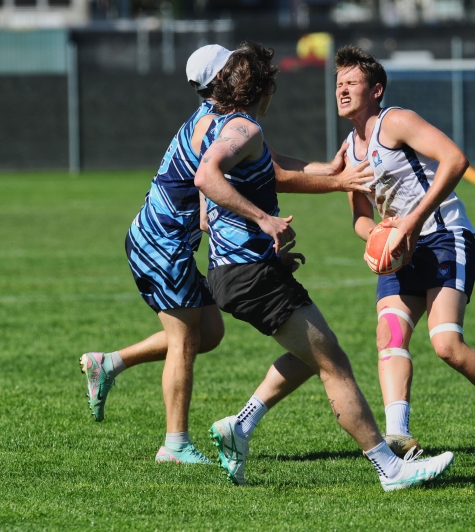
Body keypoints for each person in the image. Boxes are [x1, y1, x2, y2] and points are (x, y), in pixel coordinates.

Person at [78, 45, 373, 465]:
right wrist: (336, 183)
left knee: (210, 333)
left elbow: (266, 165)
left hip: (166, 238)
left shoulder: (220, 119)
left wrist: (329, 169)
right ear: (223, 77)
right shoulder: (221, 125)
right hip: (161, 240)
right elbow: (263, 175)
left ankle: (109, 363)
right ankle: (175, 445)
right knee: (185, 338)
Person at [194, 40, 455, 491]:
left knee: (311, 353)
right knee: (335, 363)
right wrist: (265, 221)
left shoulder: (212, 126)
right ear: (264, 88)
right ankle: (390, 469)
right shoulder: (243, 128)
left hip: (233, 270)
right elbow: (209, 177)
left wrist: (325, 180)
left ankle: (241, 425)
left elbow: (228, 197)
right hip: (248, 272)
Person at [334, 45, 475, 468]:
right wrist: (378, 237)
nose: (342, 90)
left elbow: (456, 159)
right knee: (390, 335)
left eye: (352, 82)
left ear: (376, 90)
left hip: (444, 236)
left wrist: (412, 221)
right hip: (403, 249)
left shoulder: (395, 121)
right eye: (338, 83)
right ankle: (399, 436)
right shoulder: (348, 150)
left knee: (447, 345)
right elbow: (361, 217)